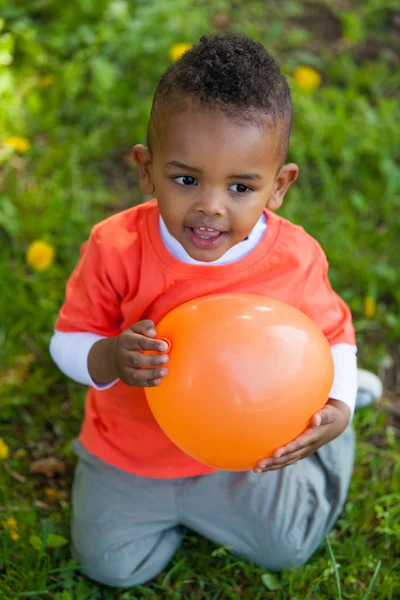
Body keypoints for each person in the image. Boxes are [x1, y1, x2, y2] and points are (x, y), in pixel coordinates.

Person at [50, 32, 382, 588]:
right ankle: (170, 512)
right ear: (145, 169)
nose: (210, 205)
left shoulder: (294, 258)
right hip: (132, 454)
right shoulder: (116, 248)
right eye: (185, 179)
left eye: (240, 186)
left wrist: (338, 402)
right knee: (109, 567)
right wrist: (109, 356)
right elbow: (68, 340)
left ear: (278, 187)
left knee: (288, 546)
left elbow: (335, 337)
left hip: (245, 452)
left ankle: (343, 429)